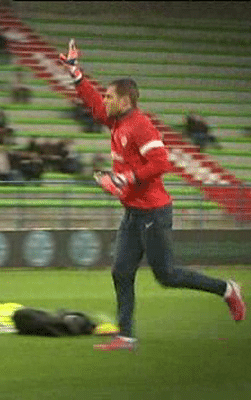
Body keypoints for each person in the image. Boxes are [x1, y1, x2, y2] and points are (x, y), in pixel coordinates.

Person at [59, 39, 246, 351]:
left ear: (125, 100)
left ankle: (227, 289)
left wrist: (125, 177)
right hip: (133, 212)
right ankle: (127, 336)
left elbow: (161, 163)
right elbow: (92, 103)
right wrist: (76, 74)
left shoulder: (141, 126)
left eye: (109, 96)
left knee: (167, 275)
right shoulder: (117, 121)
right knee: (121, 271)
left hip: (153, 213)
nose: (104, 100)